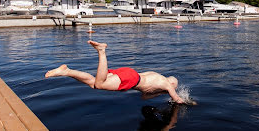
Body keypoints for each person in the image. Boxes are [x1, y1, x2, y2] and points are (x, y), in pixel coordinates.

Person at [45, 40, 186, 104]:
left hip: (130, 73)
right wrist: (191, 103)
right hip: (132, 80)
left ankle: (67, 71)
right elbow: (178, 100)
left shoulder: (157, 76)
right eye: (173, 87)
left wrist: (159, 92)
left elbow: (144, 97)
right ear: (172, 83)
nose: (172, 90)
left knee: (94, 83)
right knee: (100, 84)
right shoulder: (166, 84)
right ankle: (101, 51)